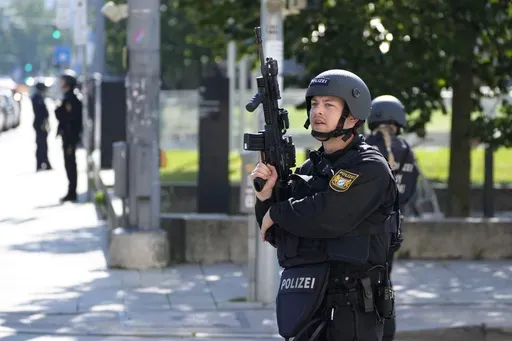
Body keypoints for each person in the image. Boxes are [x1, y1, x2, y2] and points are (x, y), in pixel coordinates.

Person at [251, 70, 401, 341]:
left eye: (329, 104)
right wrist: (267, 197)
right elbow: (277, 234)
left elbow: (329, 216)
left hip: (353, 311)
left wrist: (278, 211)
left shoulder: (369, 167)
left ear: (353, 116)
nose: (318, 111)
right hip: (309, 303)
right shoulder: (312, 168)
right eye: (315, 103)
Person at [365, 95, 420, 341]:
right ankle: (386, 334)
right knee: (384, 283)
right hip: (392, 232)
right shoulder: (406, 151)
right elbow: (408, 193)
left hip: (364, 230)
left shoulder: (364, 147)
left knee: (357, 286)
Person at [55, 69, 83, 202]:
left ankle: (72, 192)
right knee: (68, 164)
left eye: (63, 81)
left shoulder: (71, 98)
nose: (61, 83)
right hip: (67, 136)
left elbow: (71, 118)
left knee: (71, 164)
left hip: (70, 137)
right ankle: (71, 191)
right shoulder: (67, 97)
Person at [31, 81, 52, 171]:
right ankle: (41, 163)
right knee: (41, 144)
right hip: (40, 124)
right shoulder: (37, 98)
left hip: (41, 123)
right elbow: (40, 112)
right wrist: (43, 123)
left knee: (43, 144)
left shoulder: (39, 97)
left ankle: (44, 162)